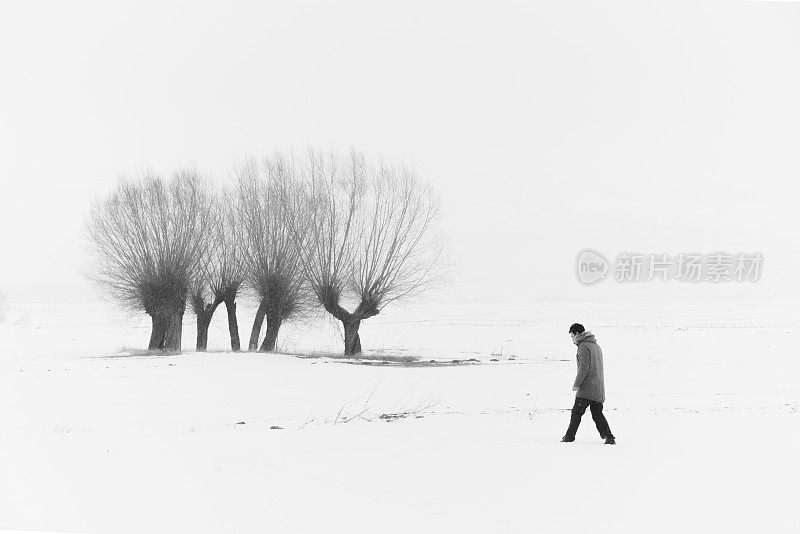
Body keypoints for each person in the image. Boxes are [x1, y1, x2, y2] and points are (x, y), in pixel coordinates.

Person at [561, 323, 616, 444]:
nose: (572, 339)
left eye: (572, 336)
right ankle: (609, 437)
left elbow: (584, 368)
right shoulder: (596, 346)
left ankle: (569, 437)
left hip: (587, 388)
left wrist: (577, 384)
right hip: (598, 387)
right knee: (597, 414)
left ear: (576, 334)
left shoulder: (583, 346)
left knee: (576, 413)